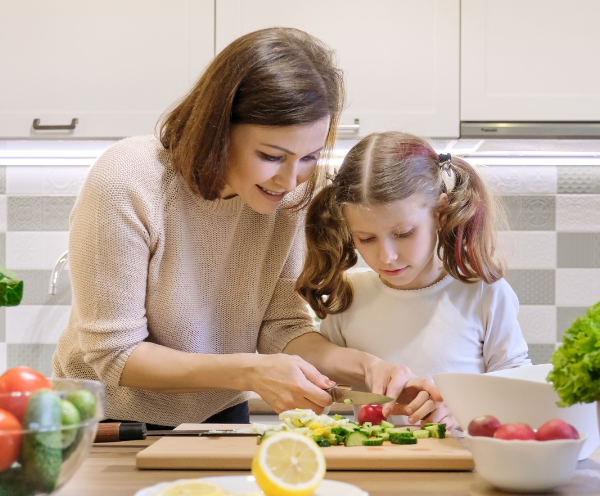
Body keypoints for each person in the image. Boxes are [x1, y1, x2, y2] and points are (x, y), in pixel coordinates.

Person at [53, 29, 439, 427]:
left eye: (308, 157)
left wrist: (367, 368)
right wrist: (250, 371)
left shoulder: (289, 199)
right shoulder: (128, 181)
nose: (291, 180)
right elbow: (114, 354)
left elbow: (283, 326)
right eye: (272, 156)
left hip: (221, 416)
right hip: (106, 424)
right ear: (218, 128)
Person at [297, 132, 531, 428]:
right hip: (372, 465)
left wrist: (464, 410)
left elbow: (519, 385)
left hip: (462, 463)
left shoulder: (484, 293)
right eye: (366, 238)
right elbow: (328, 387)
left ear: (440, 213)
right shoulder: (349, 296)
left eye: (403, 233)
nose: (387, 257)